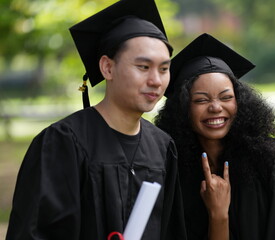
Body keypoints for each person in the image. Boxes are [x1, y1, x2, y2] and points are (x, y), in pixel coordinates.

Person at [6, 0, 186, 239]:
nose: (156, 80)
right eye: (143, 66)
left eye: (164, 69)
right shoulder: (62, 143)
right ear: (107, 68)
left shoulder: (163, 147)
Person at [155, 33, 275, 240]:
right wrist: (218, 214)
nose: (216, 107)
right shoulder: (172, 172)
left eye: (226, 97)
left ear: (240, 102)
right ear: (182, 110)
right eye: (201, 100)